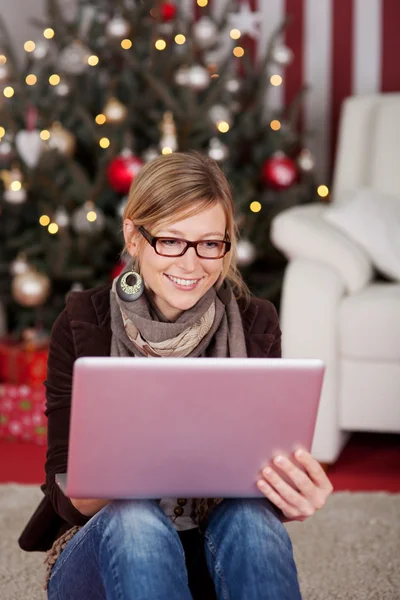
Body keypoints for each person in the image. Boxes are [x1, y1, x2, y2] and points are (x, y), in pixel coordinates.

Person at [19, 151, 333, 600]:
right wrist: (109, 482)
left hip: (209, 551)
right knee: (133, 518)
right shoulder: (81, 320)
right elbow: (64, 487)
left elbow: (254, 471)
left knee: (252, 521)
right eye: (171, 241)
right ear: (133, 235)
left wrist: (290, 494)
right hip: (109, 554)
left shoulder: (255, 321)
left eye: (210, 243)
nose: (191, 265)